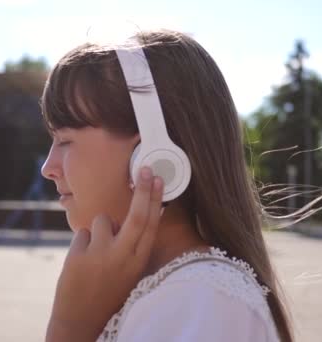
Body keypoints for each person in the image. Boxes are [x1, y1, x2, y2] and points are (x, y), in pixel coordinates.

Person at [41, 29, 292, 342]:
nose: (47, 168)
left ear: (151, 158)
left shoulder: (201, 303)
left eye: (65, 140)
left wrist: (69, 329)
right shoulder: (177, 294)